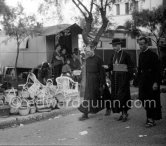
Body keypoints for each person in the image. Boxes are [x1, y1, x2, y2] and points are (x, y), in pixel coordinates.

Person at [78, 44, 111, 121]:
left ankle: (108, 108)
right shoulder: (87, 59)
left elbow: (102, 72)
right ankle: (85, 113)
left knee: (104, 95)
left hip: (98, 80)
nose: (86, 53)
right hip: (89, 80)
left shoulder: (99, 59)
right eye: (85, 51)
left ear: (92, 50)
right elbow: (85, 70)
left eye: (88, 51)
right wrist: (81, 78)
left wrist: (102, 83)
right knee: (87, 97)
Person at [106, 38, 134, 122]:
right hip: (115, 79)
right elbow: (110, 66)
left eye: (115, 46)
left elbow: (130, 67)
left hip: (123, 79)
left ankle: (125, 113)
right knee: (117, 97)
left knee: (123, 96)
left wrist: (129, 78)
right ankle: (122, 113)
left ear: (119, 45)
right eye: (113, 46)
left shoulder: (126, 54)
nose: (114, 48)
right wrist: (103, 68)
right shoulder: (113, 55)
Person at [137, 36, 162, 127]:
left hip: (151, 81)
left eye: (142, 44)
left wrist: (156, 82)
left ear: (147, 44)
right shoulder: (140, 54)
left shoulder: (153, 55)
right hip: (143, 81)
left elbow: (157, 70)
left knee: (151, 100)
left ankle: (151, 119)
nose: (140, 46)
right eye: (139, 44)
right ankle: (150, 117)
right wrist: (137, 80)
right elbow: (139, 69)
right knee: (143, 98)